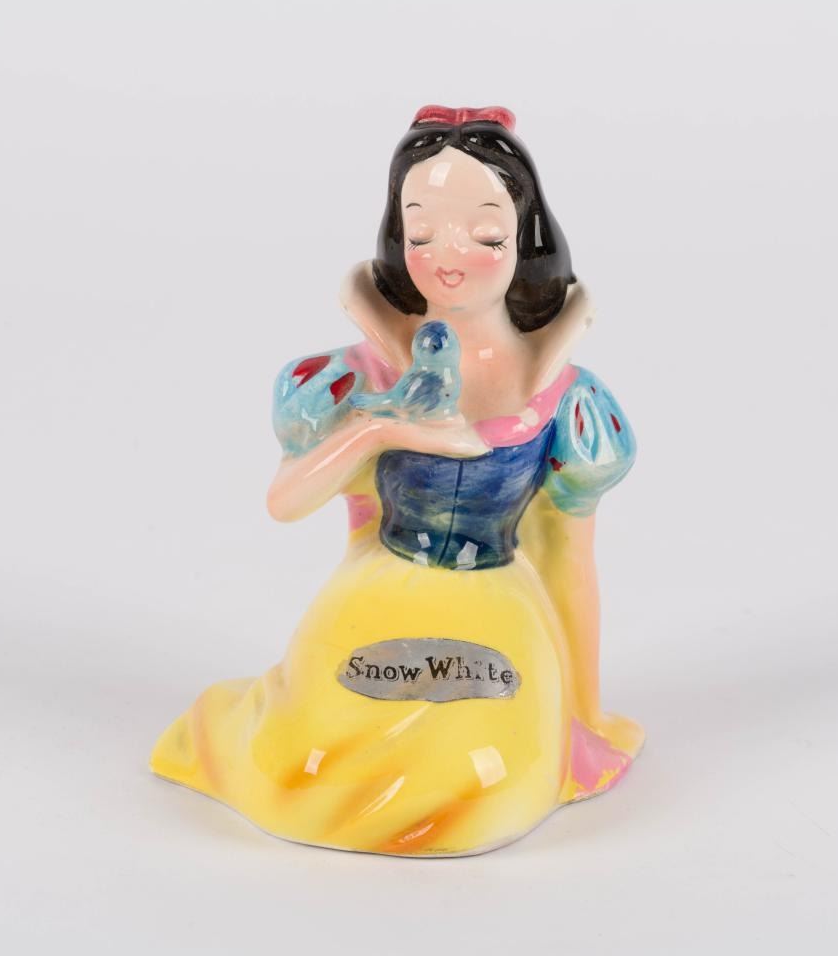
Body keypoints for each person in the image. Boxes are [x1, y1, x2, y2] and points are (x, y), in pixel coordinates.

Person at [151, 105, 642, 856]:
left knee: (491, 778)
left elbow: (570, 558)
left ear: (525, 241)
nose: (449, 256)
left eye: (485, 235)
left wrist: (584, 716)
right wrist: (380, 430)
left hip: (498, 614)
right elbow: (285, 502)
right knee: (309, 768)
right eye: (422, 234)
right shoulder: (358, 379)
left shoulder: (562, 399)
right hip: (374, 600)